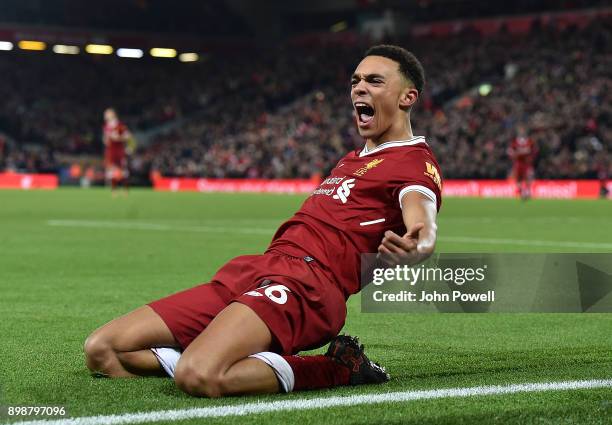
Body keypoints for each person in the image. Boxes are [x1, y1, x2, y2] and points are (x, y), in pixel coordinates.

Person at [84, 45, 443, 398]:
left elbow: (421, 219)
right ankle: (227, 352)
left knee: (199, 375)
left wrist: (419, 245)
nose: (359, 87)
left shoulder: (413, 162)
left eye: (375, 81)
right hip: (259, 269)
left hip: (308, 285)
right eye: (355, 80)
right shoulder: (353, 159)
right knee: (103, 350)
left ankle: (338, 367)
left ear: (407, 97)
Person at [103, 108, 132, 195]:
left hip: (119, 150)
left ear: (113, 114)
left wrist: (119, 138)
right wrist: (108, 139)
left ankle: (126, 190)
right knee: (112, 170)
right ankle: (114, 190)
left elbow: (128, 135)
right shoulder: (106, 126)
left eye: (107, 114)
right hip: (111, 150)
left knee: (123, 170)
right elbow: (106, 140)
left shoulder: (119, 125)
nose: (105, 116)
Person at [507, 125, 538, 200]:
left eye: (523, 130)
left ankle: (527, 191)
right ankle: (521, 191)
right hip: (518, 163)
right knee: (518, 178)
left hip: (527, 163)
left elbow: (535, 150)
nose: (522, 132)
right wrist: (514, 155)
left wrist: (531, 156)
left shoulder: (530, 141)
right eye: (520, 130)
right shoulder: (514, 141)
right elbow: (510, 151)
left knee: (529, 177)